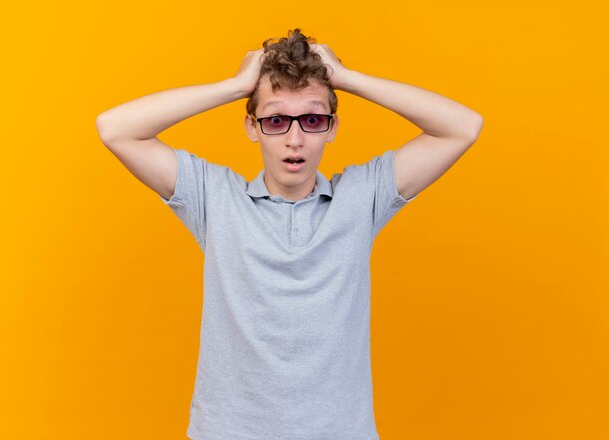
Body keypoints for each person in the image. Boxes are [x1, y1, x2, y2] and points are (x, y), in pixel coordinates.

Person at [96, 28, 483, 440]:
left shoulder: (360, 198)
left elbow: (462, 126)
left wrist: (347, 78)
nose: (295, 140)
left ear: (332, 127)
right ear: (252, 126)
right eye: (277, 120)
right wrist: (234, 87)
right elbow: (115, 128)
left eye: (312, 119)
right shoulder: (216, 198)